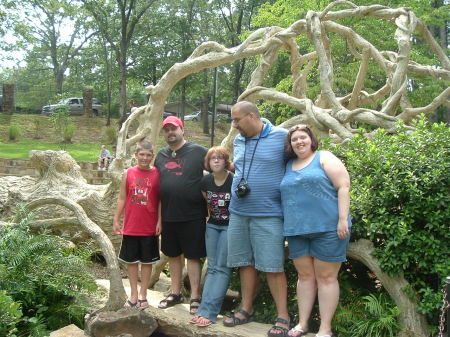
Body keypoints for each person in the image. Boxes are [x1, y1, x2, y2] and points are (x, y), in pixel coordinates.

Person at [223, 101, 290, 337]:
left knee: (273, 267)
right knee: (245, 263)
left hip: (269, 214)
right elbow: (240, 169)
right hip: (239, 213)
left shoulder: (282, 137)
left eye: (237, 119)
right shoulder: (239, 140)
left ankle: (283, 316)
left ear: (251, 116)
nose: (234, 125)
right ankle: (246, 308)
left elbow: (301, 160)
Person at [280, 125, 351, 337]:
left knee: (327, 278)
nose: (299, 142)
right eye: (294, 139)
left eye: (303, 137)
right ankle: (302, 324)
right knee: (304, 277)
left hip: (329, 228)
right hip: (296, 230)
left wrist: (342, 219)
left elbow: (343, 186)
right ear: (290, 145)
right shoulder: (289, 164)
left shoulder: (324, 157)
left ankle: (325, 328)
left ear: (311, 140)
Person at [154, 115, 208, 315]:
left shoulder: (198, 151)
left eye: (173, 128)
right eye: (166, 130)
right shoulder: (160, 155)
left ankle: (195, 296)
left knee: (193, 257)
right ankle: (175, 293)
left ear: (182, 129)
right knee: (173, 255)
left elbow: (219, 165)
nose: (170, 132)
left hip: (193, 215)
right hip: (168, 216)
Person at [113, 141, 161, 309]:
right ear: (136, 155)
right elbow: (122, 197)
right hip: (131, 225)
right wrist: (116, 219)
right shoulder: (128, 173)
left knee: (147, 262)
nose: (145, 158)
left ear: (152, 156)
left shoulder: (157, 174)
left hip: (149, 225)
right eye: (142, 154)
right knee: (132, 261)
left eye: (148, 155)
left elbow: (161, 200)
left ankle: (143, 294)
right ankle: (133, 294)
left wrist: (160, 221)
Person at [189, 146, 234, 327]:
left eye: (220, 158)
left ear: (225, 161)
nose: (216, 161)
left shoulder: (233, 180)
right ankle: (203, 309)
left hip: (230, 228)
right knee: (212, 267)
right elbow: (208, 202)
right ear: (208, 162)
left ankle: (210, 312)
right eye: (212, 158)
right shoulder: (205, 182)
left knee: (222, 268)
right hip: (213, 225)